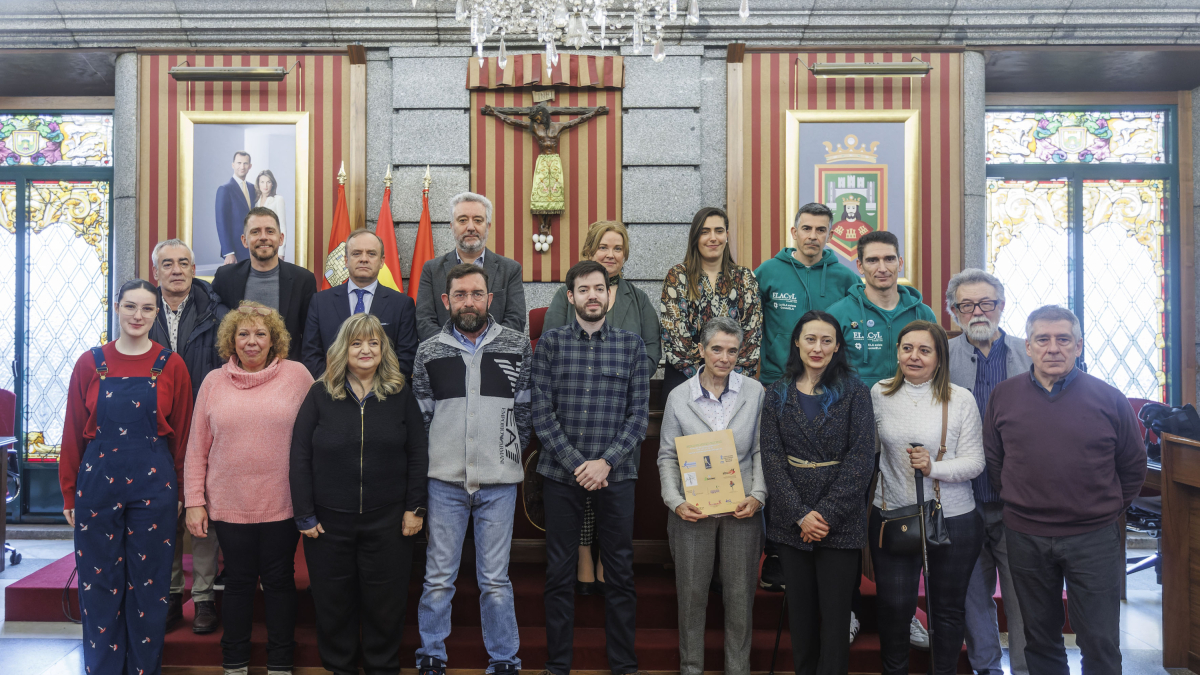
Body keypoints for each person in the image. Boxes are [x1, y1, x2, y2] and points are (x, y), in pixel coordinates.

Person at [983, 305, 1146, 675]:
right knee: (1039, 638)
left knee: (1100, 639)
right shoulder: (1003, 396)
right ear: (1028, 346)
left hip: (1093, 537)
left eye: (1063, 340)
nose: (1053, 348)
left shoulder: (1109, 398)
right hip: (1025, 535)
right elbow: (996, 462)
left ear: (1079, 346)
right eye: (1043, 339)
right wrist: (1024, 503)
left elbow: (1133, 466)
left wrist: (1101, 510)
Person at [60, 279, 193, 675]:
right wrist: (69, 493)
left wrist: (184, 490)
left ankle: (142, 669)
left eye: (147, 309)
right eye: (130, 306)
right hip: (97, 484)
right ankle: (101, 668)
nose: (138, 315)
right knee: (98, 583)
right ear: (116, 307)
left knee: (150, 584)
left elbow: (183, 434)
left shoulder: (171, 364)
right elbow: (72, 431)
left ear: (157, 314)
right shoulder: (90, 362)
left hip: (156, 487)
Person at [290, 313, 428, 675]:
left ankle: (382, 667)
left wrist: (415, 507)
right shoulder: (320, 394)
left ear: (384, 350)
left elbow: (418, 453)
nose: (365, 350)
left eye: (373, 343)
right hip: (328, 523)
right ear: (342, 349)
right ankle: (341, 668)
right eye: (356, 343)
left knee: (386, 604)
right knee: (333, 603)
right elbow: (299, 455)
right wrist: (304, 513)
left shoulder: (400, 393)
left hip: (389, 521)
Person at [412, 263, 533, 675]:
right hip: (444, 482)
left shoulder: (516, 345)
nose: (468, 301)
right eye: (460, 295)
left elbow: (526, 411)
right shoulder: (430, 350)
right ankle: (431, 654)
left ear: (490, 299)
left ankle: (504, 659)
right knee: (439, 576)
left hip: (499, 484)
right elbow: (422, 414)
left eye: (476, 294)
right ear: (446, 301)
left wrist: (506, 454)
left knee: (495, 580)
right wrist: (438, 458)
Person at [533, 260, 651, 675]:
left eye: (599, 288)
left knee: (619, 572)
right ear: (571, 297)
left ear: (610, 294)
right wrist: (578, 464)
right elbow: (541, 414)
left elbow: (639, 417)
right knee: (559, 574)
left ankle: (624, 665)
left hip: (615, 475)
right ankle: (557, 665)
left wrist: (605, 463)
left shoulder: (632, 346)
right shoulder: (549, 345)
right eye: (583, 290)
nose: (593, 296)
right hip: (560, 475)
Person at [183, 302, 313, 675]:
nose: (252, 341)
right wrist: (194, 501)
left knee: (279, 581)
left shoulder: (298, 376)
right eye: (243, 334)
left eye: (260, 334)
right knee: (238, 582)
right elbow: (197, 448)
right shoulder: (212, 382)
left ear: (274, 340)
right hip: (228, 503)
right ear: (231, 340)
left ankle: (280, 663)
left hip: (284, 503)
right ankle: (235, 662)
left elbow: (315, 438)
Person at [543, 220, 661, 593]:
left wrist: (624, 374)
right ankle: (582, 556)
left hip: (619, 406)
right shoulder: (569, 295)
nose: (611, 254)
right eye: (603, 248)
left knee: (610, 489)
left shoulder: (637, 298)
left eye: (618, 248)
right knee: (577, 485)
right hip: (574, 410)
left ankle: (607, 560)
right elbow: (551, 343)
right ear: (589, 252)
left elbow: (653, 348)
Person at [759, 310, 875, 675]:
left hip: (839, 521)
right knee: (802, 615)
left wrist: (823, 515)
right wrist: (799, 513)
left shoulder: (856, 391)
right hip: (791, 521)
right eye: (810, 339)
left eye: (827, 340)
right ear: (797, 341)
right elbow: (772, 458)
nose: (818, 347)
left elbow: (861, 461)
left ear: (837, 345)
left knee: (836, 617)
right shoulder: (776, 392)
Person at [870, 320, 985, 675]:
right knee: (894, 606)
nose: (914, 357)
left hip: (954, 519)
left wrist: (933, 468)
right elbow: (869, 452)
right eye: (907, 348)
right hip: (894, 516)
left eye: (924, 350)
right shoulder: (880, 393)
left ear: (939, 357)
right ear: (898, 352)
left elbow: (976, 462)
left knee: (947, 608)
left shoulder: (960, 398)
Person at [658, 317, 768, 675]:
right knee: (692, 598)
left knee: (740, 600)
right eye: (717, 349)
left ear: (741, 353)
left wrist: (758, 495)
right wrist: (675, 501)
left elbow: (761, 451)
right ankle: (691, 669)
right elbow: (667, 455)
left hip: (742, 510)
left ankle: (739, 670)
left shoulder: (755, 392)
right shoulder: (679, 396)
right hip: (693, 511)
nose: (724, 357)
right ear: (701, 350)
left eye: (732, 350)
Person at [945, 269, 1032, 675]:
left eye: (987, 303)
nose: (978, 311)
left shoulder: (1029, 353)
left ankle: (1027, 667)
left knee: (1024, 596)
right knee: (971, 594)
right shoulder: (941, 357)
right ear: (953, 311)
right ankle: (987, 668)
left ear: (1001, 306)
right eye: (967, 304)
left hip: (1018, 500)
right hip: (961, 498)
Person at [147, 238, 229, 634]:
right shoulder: (142, 313)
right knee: (165, 514)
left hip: (204, 428)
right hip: (154, 431)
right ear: (155, 273)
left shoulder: (217, 315)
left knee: (201, 514)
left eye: (183, 263)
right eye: (168, 264)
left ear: (194, 270)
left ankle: (204, 598)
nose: (176, 270)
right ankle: (170, 594)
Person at [660, 207, 762, 397]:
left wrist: (728, 377)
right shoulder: (678, 276)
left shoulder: (745, 278)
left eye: (719, 231)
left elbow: (751, 337)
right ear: (695, 237)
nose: (713, 238)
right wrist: (705, 379)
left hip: (734, 378)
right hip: (685, 378)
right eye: (705, 232)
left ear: (727, 235)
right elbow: (674, 338)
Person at [754, 203, 859, 386]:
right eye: (806, 228)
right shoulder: (767, 272)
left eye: (820, 230)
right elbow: (750, 326)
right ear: (794, 233)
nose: (812, 236)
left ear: (830, 236)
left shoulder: (846, 278)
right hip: (777, 378)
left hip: (828, 382)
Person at [827, 230, 937, 390]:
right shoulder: (838, 314)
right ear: (860, 266)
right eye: (872, 260)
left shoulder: (923, 314)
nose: (882, 268)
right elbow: (825, 371)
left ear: (900, 263)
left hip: (911, 407)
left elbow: (936, 367)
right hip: (856, 408)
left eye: (889, 259)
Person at [302, 229, 419, 378]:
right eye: (356, 253)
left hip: (383, 396)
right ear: (345, 260)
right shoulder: (320, 302)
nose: (364, 259)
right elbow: (311, 355)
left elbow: (406, 358)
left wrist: (371, 388)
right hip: (332, 394)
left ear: (382, 261)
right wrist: (337, 387)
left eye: (371, 253)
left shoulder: (402, 305)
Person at [415, 192, 527, 340]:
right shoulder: (432, 269)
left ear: (488, 226)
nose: (470, 227)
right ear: (451, 226)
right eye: (462, 220)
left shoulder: (510, 269)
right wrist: (456, 350)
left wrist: (482, 349)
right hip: (445, 358)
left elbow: (515, 320)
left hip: (494, 357)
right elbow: (424, 322)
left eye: (478, 220)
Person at [211, 207, 316, 360]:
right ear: (244, 241)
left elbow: (310, 337)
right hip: (237, 372)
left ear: (281, 238)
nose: (263, 237)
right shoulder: (225, 277)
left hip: (286, 374)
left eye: (270, 231)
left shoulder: (303, 280)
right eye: (255, 232)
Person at [215, 151, 257, 264]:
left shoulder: (253, 188)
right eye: (239, 163)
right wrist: (228, 252)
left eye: (245, 163)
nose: (242, 167)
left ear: (250, 166)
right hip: (235, 251)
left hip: (252, 248)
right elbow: (221, 223)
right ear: (233, 165)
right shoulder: (225, 189)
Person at [254, 170, 288, 257]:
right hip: (260, 245)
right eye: (262, 182)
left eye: (268, 182)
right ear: (258, 184)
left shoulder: (278, 199)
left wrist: (281, 252)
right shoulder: (256, 202)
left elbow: (282, 227)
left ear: (272, 184)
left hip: (273, 244)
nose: (265, 185)